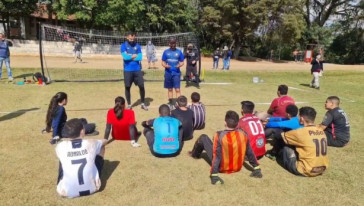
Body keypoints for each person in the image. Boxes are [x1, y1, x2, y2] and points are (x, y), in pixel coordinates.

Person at [189, 111, 262, 185]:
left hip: (222, 167)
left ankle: (194, 155)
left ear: (225, 123)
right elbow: (250, 152)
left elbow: (217, 156)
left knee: (203, 137)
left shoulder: (219, 135)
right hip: (237, 167)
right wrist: (257, 168)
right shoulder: (243, 134)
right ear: (237, 124)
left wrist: (214, 175)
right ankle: (256, 167)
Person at [55, 118, 113, 198]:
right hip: (93, 188)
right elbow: (104, 142)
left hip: (66, 192)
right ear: (82, 131)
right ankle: (94, 177)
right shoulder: (91, 143)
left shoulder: (61, 146)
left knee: (63, 158)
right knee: (101, 147)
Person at [280, 107, 329, 177]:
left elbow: (282, 136)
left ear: (302, 119)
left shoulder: (301, 132)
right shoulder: (321, 131)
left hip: (305, 170)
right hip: (323, 168)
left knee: (286, 146)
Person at [120, 32, 148, 110]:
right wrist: (133, 56)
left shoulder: (137, 46)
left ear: (135, 37)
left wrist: (130, 56)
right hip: (127, 70)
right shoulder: (123, 46)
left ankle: (142, 103)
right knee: (127, 87)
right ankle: (129, 104)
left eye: (133, 38)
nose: (132, 40)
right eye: (130, 38)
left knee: (141, 86)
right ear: (127, 37)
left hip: (137, 70)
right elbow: (125, 57)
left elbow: (140, 58)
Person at [161, 38, 185, 108]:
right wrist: (165, 65)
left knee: (177, 89)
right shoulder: (166, 52)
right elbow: (163, 62)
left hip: (176, 73)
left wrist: (180, 65)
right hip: (168, 73)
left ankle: (179, 103)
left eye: (174, 43)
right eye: (171, 43)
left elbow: (182, 61)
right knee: (170, 89)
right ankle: (170, 103)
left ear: (176, 43)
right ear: (169, 44)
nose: (173, 45)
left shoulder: (179, 52)